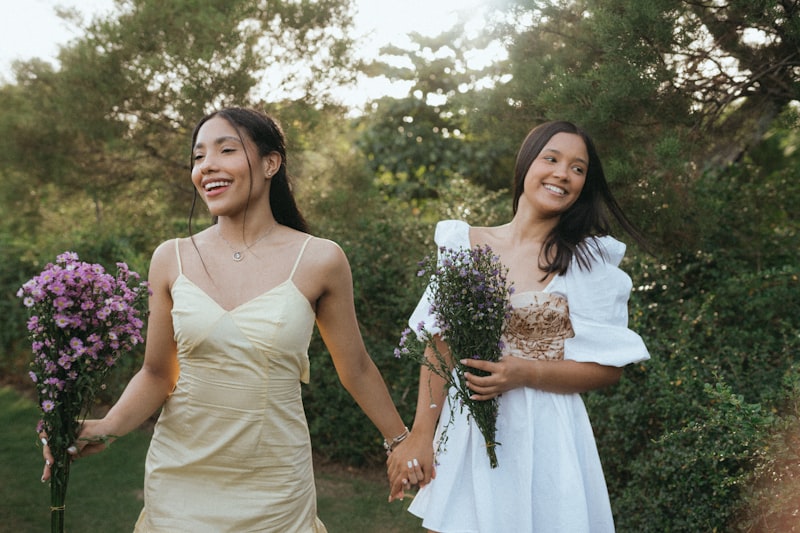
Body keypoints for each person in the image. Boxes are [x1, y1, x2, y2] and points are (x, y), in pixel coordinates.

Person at [40, 107, 413, 531]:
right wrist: (107, 427)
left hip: (274, 488)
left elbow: (357, 367)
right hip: (179, 481)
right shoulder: (170, 257)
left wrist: (403, 441)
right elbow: (158, 373)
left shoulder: (320, 259)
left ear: (271, 163)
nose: (207, 166)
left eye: (226, 150)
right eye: (198, 157)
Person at [388, 121, 651, 532]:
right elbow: (439, 346)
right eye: (552, 158)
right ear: (527, 163)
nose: (563, 173)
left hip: (549, 437)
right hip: (469, 431)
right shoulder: (463, 244)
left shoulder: (589, 262)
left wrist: (524, 372)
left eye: (578, 168)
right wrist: (422, 433)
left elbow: (608, 369)